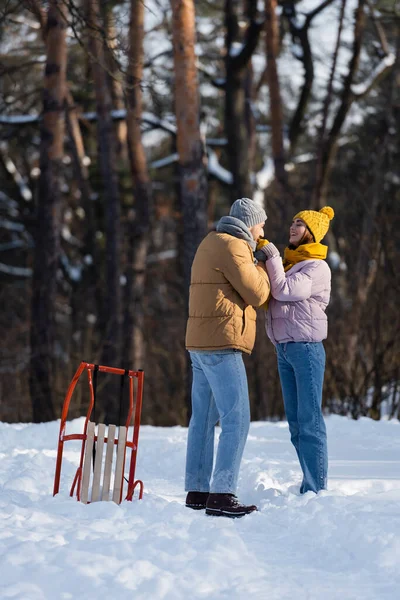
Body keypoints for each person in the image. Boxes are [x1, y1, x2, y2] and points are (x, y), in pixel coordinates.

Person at [185, 197, 270, 518]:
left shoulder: (210, 241)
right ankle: (222, 493)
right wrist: (261, 263)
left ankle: (197, 491)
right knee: (236, 420)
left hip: (199, 343)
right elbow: (259, 294)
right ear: (249, 224)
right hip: (221, 343)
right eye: (261, 225)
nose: (263, 232)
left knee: (203, 420)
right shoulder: (234, 247)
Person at [254, 206, 334, 494]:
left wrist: (273, 257)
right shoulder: (291, 265)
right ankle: (308, 483)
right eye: (292, 221)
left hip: (306, 350)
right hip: (285, 349)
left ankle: (315, 489)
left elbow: (285, 291)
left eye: (300, 224)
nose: (293, 227)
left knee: (310, 422)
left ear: (311, 233)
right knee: (296, 426)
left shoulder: (316, 267)